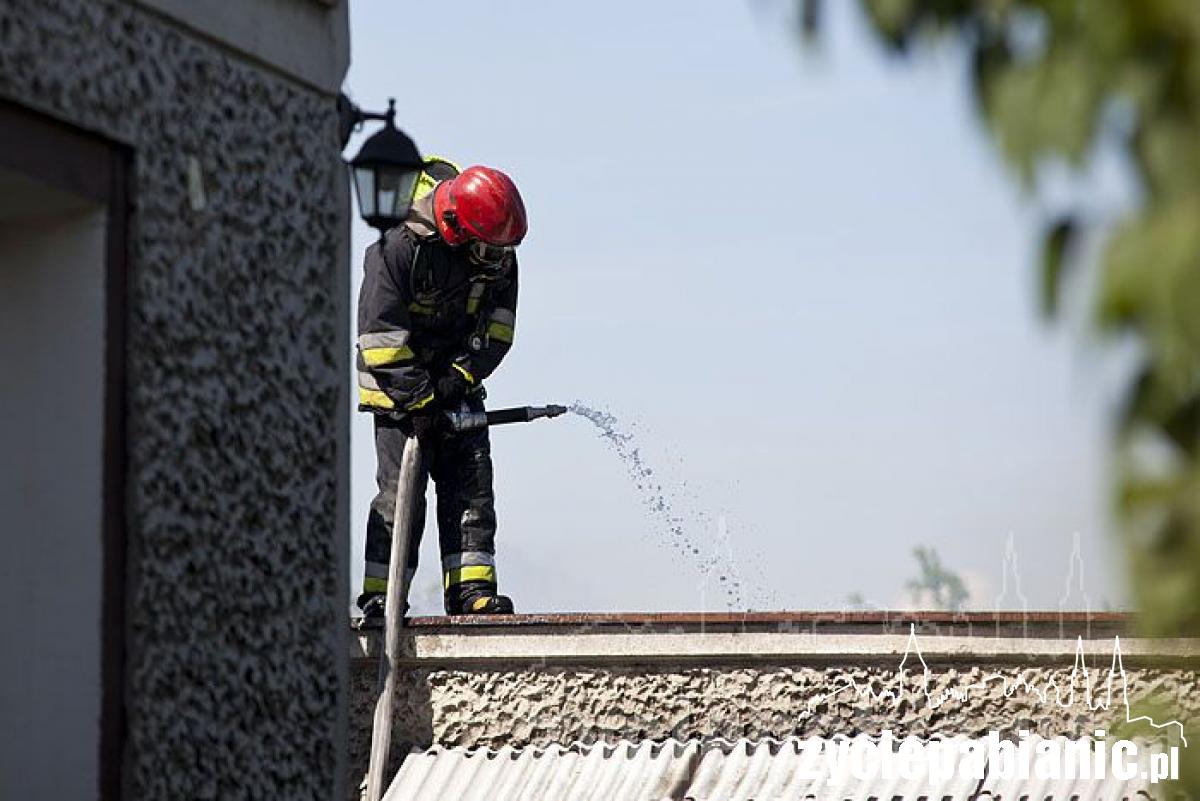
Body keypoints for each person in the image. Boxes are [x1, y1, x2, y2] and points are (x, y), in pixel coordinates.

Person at [355, 164, 527, 619]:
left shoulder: (496, 248)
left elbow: (498, 331)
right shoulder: (397, 248)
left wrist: (457, 380)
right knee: (401, 497)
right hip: (398, 393)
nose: (497, 260)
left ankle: (472, 594)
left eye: (502, 251)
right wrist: (419, 400)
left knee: (472, 490)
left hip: (455, 386)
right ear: (455, 228)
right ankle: (382, 597)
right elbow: (380, 339)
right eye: (487, 250)